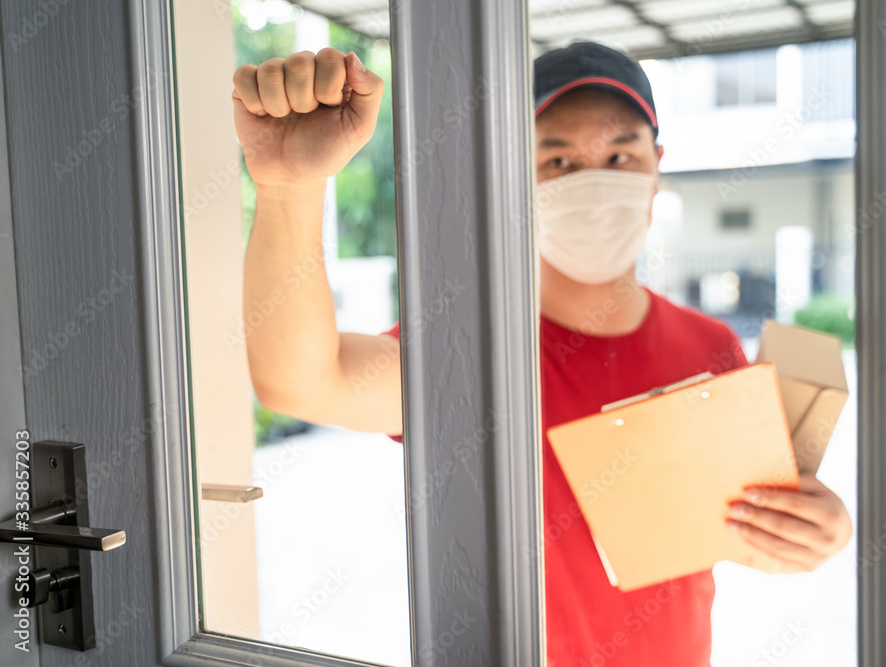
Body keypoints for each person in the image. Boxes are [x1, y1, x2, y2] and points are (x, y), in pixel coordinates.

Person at [233, 40, 852, 665]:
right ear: (517, 176)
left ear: (656, 166)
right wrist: (290, 188)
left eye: (619, 154)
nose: (592, 180)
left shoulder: (711, 347)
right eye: (558, 159)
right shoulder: (475, 352)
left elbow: (746, 513)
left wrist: (814, 528)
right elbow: (305, 381)